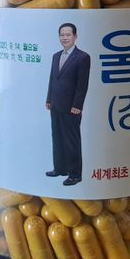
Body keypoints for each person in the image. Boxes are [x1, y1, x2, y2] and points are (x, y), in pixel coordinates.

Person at [45, 23, 91, 186]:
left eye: (68, 35)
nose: (64, 38)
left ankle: (75, 174)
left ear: (75, 37)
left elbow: (82, 84)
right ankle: (60, 168)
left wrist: (78, 105)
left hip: (71, 107)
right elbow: (52, 79)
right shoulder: (56, 56)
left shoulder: (82, 57)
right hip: (56, 104)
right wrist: (49, 99)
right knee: (57, 137)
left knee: (71, 141)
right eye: (62, 35)